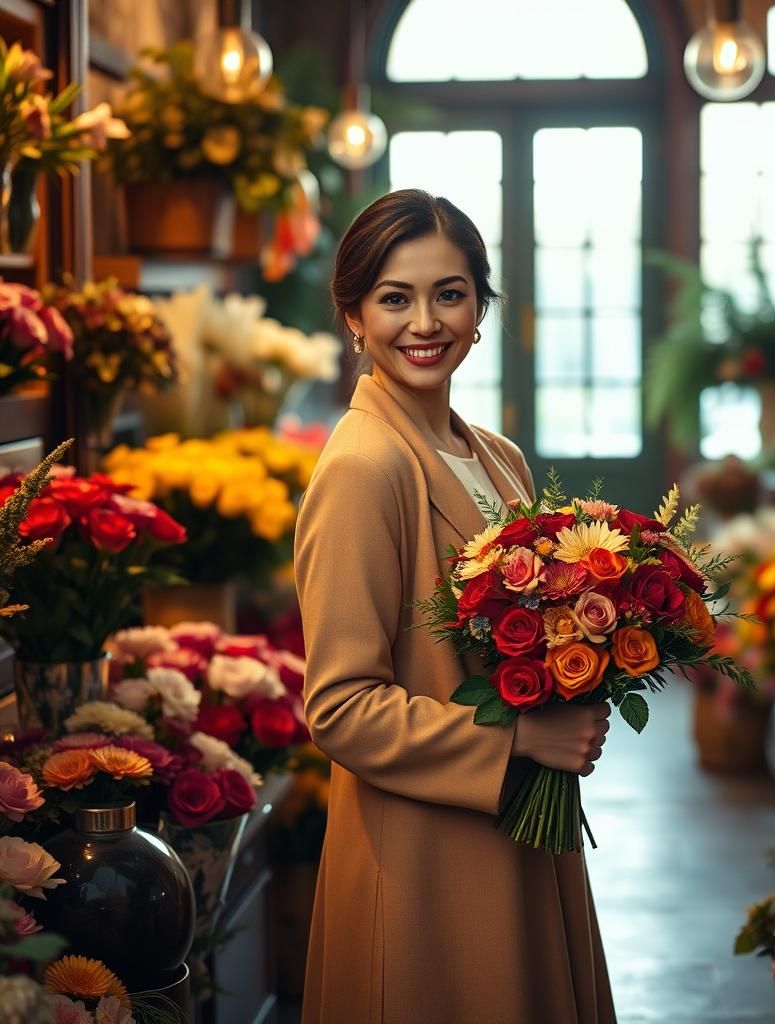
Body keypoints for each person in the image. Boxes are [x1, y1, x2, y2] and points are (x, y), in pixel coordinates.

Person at [294, 189, 616, 1024]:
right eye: (394, 298)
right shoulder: (364, 469)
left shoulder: (497, 456)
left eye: (449, 293)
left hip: (521, 841)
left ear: (480, 309)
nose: (425, 322)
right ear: (353, 316)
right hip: (424, 867)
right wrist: (520, 740)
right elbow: (341, 706)